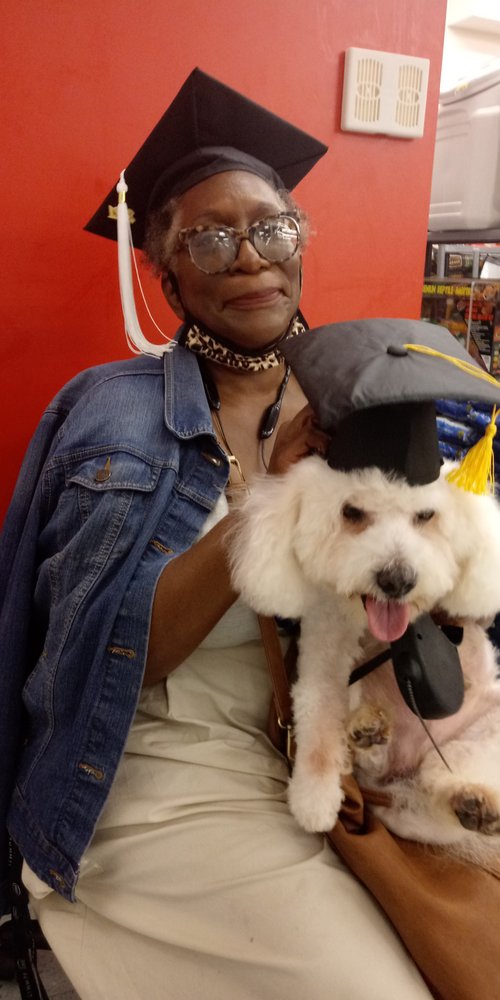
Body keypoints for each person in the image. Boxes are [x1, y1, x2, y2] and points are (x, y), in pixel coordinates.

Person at [0, 69, 433, 999]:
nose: (248, 257)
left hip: (331, 756)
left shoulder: (360, 404)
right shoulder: (110, 414)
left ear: (299, 245)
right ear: (169, 274)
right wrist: (264, 503)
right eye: (210, 237)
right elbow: (111, 651)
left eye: (271, 228)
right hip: (154, 774)